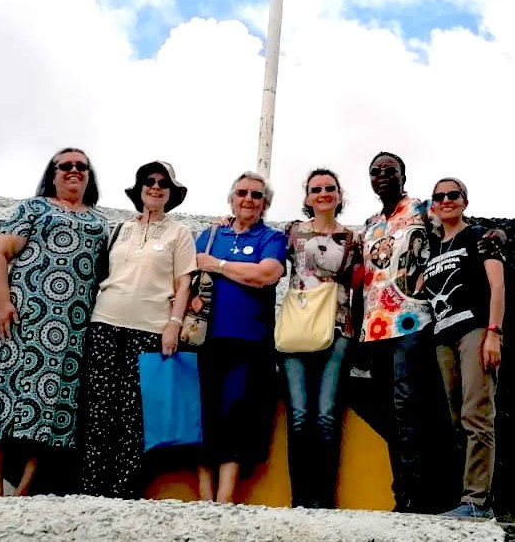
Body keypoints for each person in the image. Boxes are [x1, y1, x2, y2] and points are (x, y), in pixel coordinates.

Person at [0, 148, 110, 496]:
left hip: (72, 328)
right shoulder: (33, 209)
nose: (74, 171)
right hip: (27, 316)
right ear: (53, 173)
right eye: (66, 166)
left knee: (52, 404)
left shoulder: (100, 221)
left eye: (82, 166)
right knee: (5, 394)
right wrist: (3, 304)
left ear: (89, 176)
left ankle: (25, 490)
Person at [77, 160, 196, 498]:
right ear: (140, 188)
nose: (155, 187)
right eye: (149, 181)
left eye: (163, 183)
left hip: (148, 330)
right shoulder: (119, 230)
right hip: (105, 323)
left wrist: (173, 325)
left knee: (134, 416)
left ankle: (122, 493)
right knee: (99, 410)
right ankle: (89, 491)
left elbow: (183, 282)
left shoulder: (179, 233)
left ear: (171, 192)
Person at [357, 150, 446, 513]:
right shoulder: (369, 224)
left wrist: (496, 236)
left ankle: (418, 498)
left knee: (408, 405)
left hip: (412, 320)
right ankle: (403, 495)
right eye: (375, 171)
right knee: (389, 414)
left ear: (402, 176)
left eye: (389, 170)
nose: (382, 176)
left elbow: (458, 231)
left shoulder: (423, 210)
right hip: (375, 328)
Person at [191, 171, 288, 502]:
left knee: (238, 415)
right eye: (242, 193)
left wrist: (218, 265)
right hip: (207, 339)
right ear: (231, 198)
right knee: (205, 413)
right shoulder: (208, 234)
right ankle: (204, 496)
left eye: (257, 195)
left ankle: (225, 497)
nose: (249, 199)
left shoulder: (271, 237)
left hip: (250, 340)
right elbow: (187, 275)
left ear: (265, 204)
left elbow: (266, 274)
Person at [419, 178, 506, 519]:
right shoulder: (434, 248)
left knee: (477, 415)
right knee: (455, 419)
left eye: (453, 195)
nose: (446, 201)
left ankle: (477, 502)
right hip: (443, 337)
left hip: (474, 331)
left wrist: (494, 333)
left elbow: (497, 285)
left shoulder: (479, 236)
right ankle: (461, 499)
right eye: (438, 197)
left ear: (465, 201)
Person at [279, 168, 363, 508]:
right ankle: (300, 499)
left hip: (338, 327)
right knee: (299, 417)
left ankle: (323, 500)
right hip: (297, 328)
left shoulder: (354, 238)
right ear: (307, 197)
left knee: (326, 416)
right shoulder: (291, 233)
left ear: (340, 196)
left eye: (330, 188)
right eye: (316, 189)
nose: (323, 193)